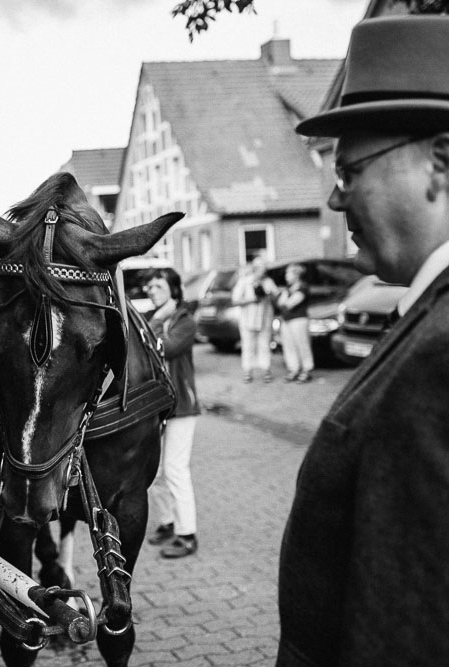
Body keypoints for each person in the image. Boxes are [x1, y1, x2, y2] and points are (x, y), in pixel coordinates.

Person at [278, 15, 449, 666]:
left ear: (440, 162)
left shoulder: (441, 354)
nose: (332, 199)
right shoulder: (427, 314)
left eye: (349, 172)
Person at [143, 268, 201, 559]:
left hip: (182, 406)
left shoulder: (184, 321)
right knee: (154, 472)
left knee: (176, 469)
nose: (151, 290)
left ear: (174, 290)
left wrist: (151, 326)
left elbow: (164, 348)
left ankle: (187, 534)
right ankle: (167, 523)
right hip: (157, 406)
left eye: (158, 286)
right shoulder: (152, 319)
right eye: (149, 286)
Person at [231, 255, 277, 383]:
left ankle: (266, 369)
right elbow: (235, 300)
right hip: (247, 320)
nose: (263, 271)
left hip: (265, 319)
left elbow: (275, 298)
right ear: (255, 268)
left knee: (264, 345)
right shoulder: (244, 281)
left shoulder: (268, 282)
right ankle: (248, 371)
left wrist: (269, 295)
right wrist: (251, 300)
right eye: (261, 268)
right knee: (248, 346)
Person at [275, 263, 314, 383]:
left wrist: (285, 299)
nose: (286, 276)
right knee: (289, 345)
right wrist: (285, 298)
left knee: (302, 344)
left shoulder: (303, 287)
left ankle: (306, 369)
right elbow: (280, 304)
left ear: (296, 275)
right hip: (287, 320)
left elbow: (289, 304)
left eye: (289, 273)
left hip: (299, 320)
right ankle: (294, 368)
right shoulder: (288, 289)